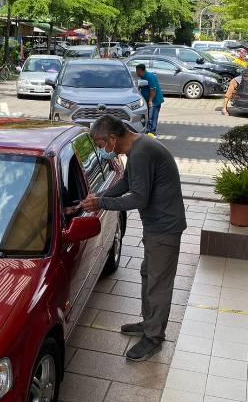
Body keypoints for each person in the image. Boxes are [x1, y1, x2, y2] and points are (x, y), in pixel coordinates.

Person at [80, 115, 186, 361]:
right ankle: (149, 323)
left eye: (100, 144)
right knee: (148, 275)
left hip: (164, 228)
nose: (101, 150)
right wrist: (99, 196)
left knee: (158, 284)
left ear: (113, 139)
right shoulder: (139, 147)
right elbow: (127, 181)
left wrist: (102, 202)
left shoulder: (142, 152)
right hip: (156, 226)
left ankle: (154, 338)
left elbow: (139, 198)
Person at [134, 63, 164, 134]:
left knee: (152, 117)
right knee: (148, 117)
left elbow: (153, 90)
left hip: (154, 101)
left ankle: (152, 132)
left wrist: (150, 101)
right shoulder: (143, 77)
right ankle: (148, 130)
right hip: (148, 101)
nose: (136, 73)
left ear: (140, 71)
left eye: (137, 71)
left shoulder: (149, 77)